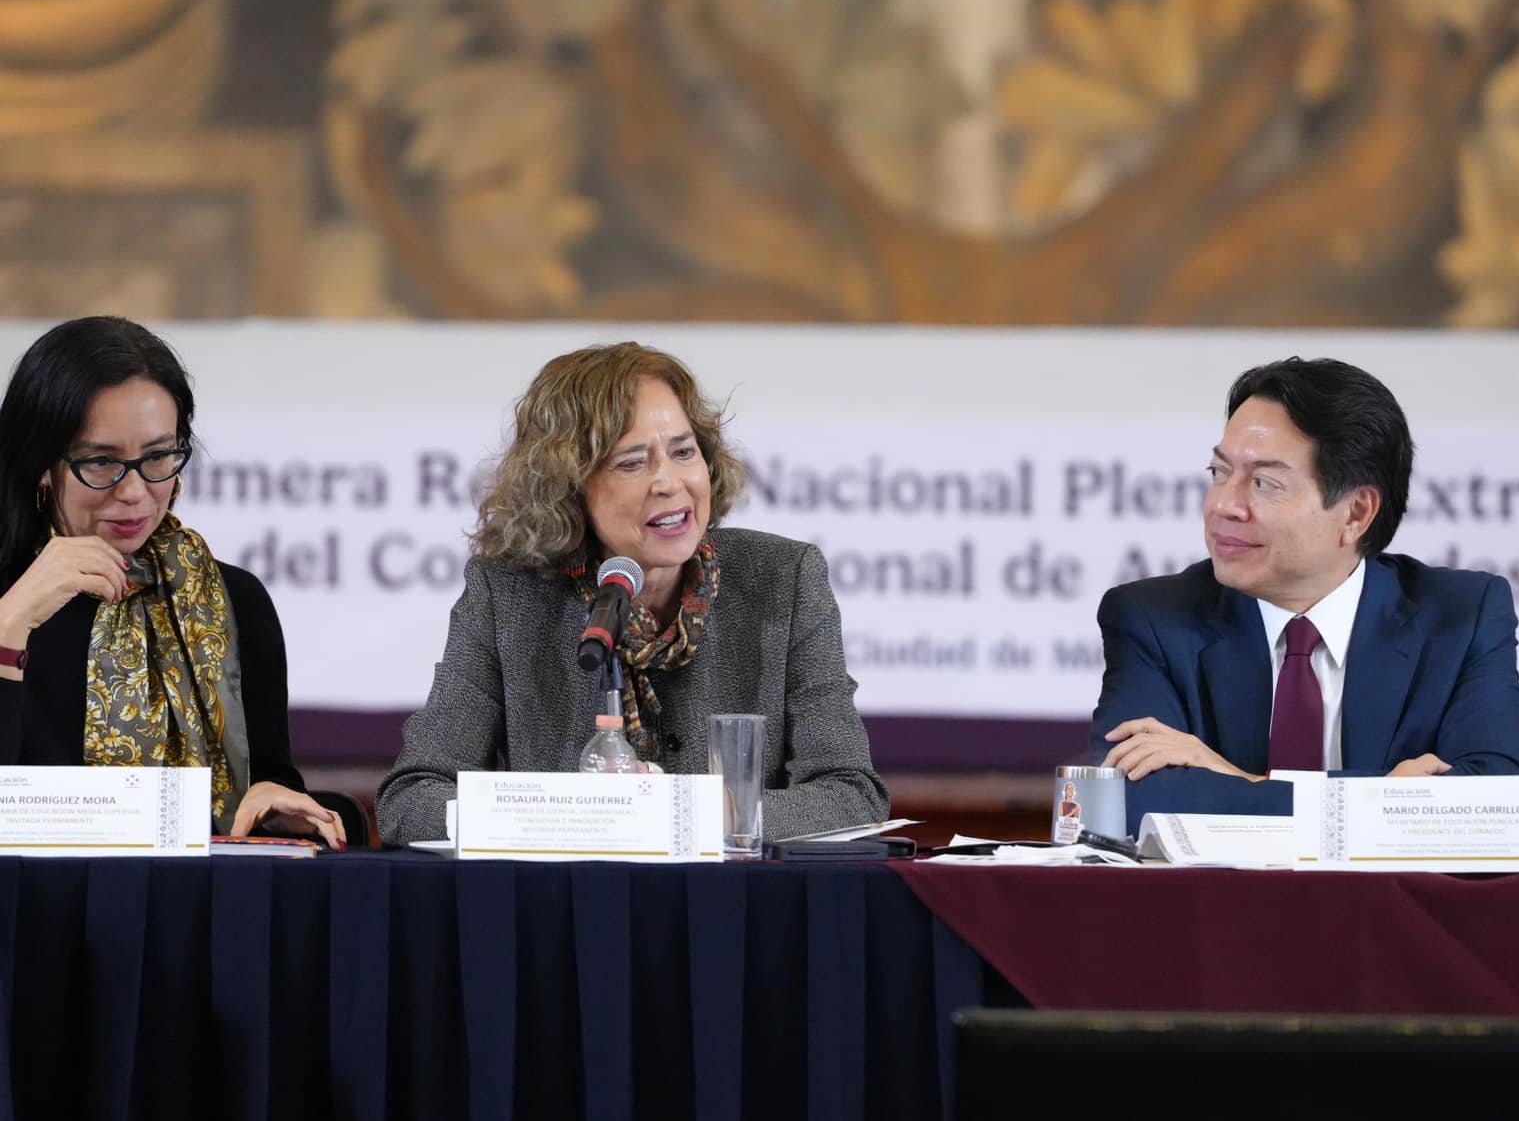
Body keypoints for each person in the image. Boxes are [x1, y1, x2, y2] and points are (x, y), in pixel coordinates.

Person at [376, 341, 887, 844]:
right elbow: (411, 800)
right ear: (568, 488)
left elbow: (850, 793)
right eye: (631, 462)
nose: (669, 482)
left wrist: (683, 809)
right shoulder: (508, 595)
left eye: (683, 452)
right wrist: (576, 814)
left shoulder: (783, 578)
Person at [1089, 356, 1519, 820]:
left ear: (1356, 513)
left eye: (1264, 483)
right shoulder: (1153, 619)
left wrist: (1242, 780)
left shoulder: (1461, 616)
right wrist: (1384, 798)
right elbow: (1132, 800)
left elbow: (1496, 802)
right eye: (1219, 472)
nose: (1224, 505)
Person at [0, 317, 341, 846]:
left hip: (189, 893)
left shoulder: (234, 600)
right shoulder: (10, 596)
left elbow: (270, 783)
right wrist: (10, 623)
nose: (135, 492)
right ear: (41, 464)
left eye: (158, 456)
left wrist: (276, 808)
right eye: (101, 461)